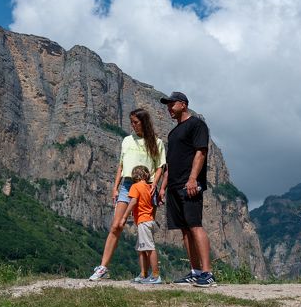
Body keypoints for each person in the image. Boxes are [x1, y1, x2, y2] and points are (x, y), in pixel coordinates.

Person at [89, 108, 166, 281]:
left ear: (144, 122)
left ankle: (145, 274)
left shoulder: (156, 142)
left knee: (143, 229)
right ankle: (103, 268)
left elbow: (161, 166)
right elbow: (121, 165)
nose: (133, 125)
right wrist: (115, 187)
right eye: (131, 122)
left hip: (146, 186)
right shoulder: (126, 140)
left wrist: (155, 184)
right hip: (126, 185)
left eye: (136, 122)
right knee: (116, 225)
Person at [159, 91, 215, 286]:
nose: (168, 108)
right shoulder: (173, 132)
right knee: (184, 230)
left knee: (195, 225)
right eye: (167, 105)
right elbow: (170, 163)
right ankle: (195, 271)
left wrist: (193, 179)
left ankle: (208, 273)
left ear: (183, 104)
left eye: (171, 104)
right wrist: (162, 188)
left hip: (189, 185)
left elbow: (201, 152)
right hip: (173, 187)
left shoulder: (197, 125)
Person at [126, 165, 162, 284]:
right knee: (142, 248)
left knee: (150, 248)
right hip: (149, 219)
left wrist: (124, 216)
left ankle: (156, 275)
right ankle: (143, 274)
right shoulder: (149, 187)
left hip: (143, 221)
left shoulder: (135, 187)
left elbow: (133, 202)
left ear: (134, 176)